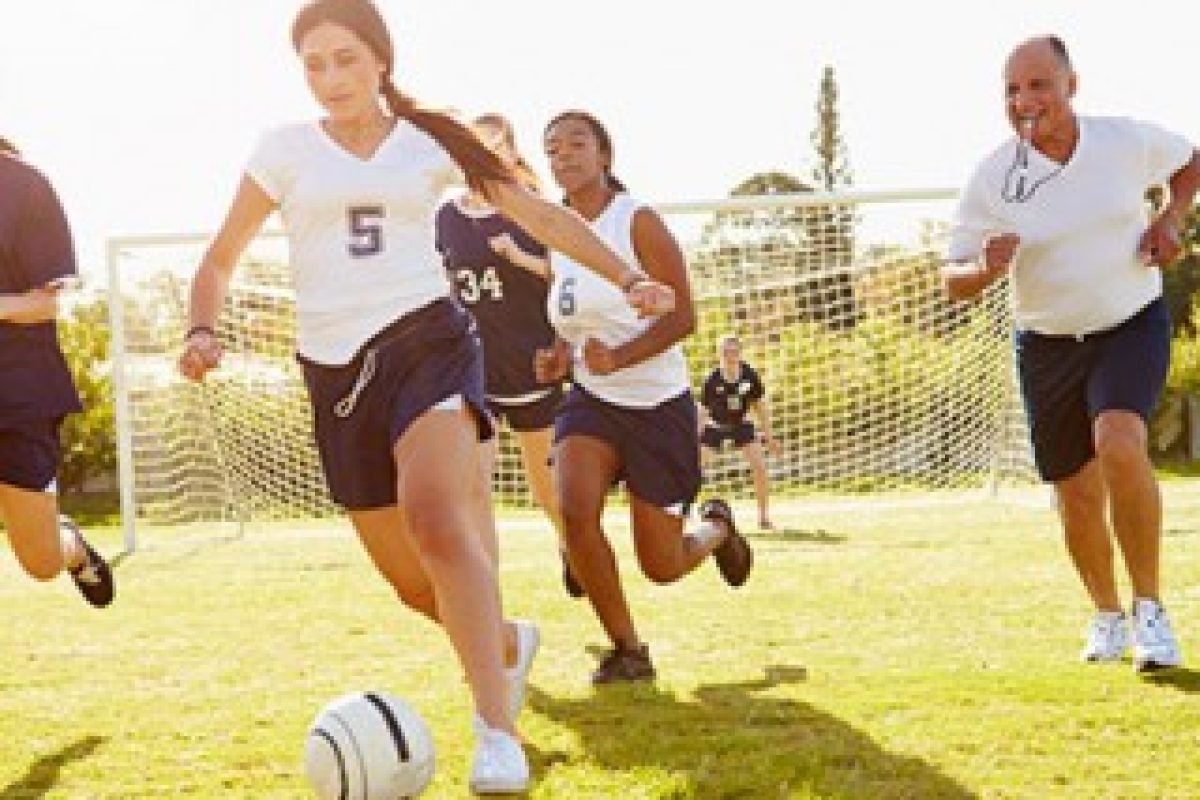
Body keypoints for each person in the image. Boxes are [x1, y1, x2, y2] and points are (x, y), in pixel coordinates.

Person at [177, 2, 673, 793]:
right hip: (334, 373)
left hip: (426, 346)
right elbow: (218, 260)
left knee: (441, 524)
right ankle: (502, 641)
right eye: (314, 64)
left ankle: (495, 733)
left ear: (380, 60)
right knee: (414, 583)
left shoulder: (430, 141)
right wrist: (201, 329)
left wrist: (628, 275)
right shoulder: (283, 150)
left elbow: (538, 213)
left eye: (346, 59)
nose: (331, 78)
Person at [942, 35, 1200, 673]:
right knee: (1076, 495)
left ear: (1071, 86)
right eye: (1011, 89)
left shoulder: (1123, 142)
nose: (1025, 100)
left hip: (1128, 323)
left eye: (1038, 85)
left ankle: (1151, 612)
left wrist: (1170, 220)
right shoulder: (994, 177)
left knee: (1119, 439)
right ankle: (1107, 615)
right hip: (1047, 344)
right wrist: (983, 267)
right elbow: (951, 280)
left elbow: (1191, 162)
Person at [537, 110, 753, 685]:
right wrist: (560, 353)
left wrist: (623, 357)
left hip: (657, 406)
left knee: (660, 565)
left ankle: (716, 530)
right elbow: (570, 314)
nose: (563, 156)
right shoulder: (557, 233)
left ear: (605, 155)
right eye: (552, 149)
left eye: (576, 144)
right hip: (592, 401)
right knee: (576, 510)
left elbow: (684, 316)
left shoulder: (638, 222)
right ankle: (628, 650)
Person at [434, 113, 582, 600]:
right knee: (473, 487)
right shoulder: (447, 217)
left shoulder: (528, 209)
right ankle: (484, 597)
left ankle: (571, 550)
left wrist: (518, 259)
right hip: (471, 367)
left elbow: (564, 276)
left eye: (494, 147)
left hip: (529, 362)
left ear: (511, 153)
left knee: (547, 488)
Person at [0, 137, 114, 609]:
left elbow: (43, 306)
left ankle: (70, 548)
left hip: (17, 394)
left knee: (40, 562)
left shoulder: (23, 186)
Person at [698, 334, 781, 530]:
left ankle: (763, 518)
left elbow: (760, 408)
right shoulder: (712, 380)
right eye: (726, 352)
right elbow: (702, 412)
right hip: (715, 425)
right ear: (719, 354)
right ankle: (684, 515)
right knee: (694, 469)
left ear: (740, 353)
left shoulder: (749, 376)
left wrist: (770, 437)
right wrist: (693, 438)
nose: (730, 356)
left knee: (760, 467)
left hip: (741, 424)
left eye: (734, 351)